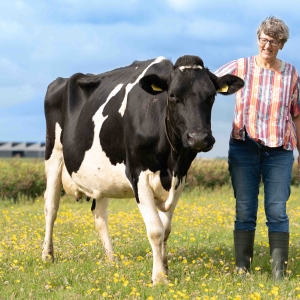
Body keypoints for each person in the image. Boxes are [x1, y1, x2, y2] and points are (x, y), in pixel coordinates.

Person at [214, 16, 300, 280]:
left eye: (274, 41)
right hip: (244, 148)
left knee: (277, 210)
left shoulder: (291, 73)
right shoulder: (240, 66)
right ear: (258, 39)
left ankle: (278, 275)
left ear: (282, 45)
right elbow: (207, 83)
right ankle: (242, 271)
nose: (268, 45)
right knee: (245, 209)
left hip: (280, 151)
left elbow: (296, 114)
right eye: (264, 39)